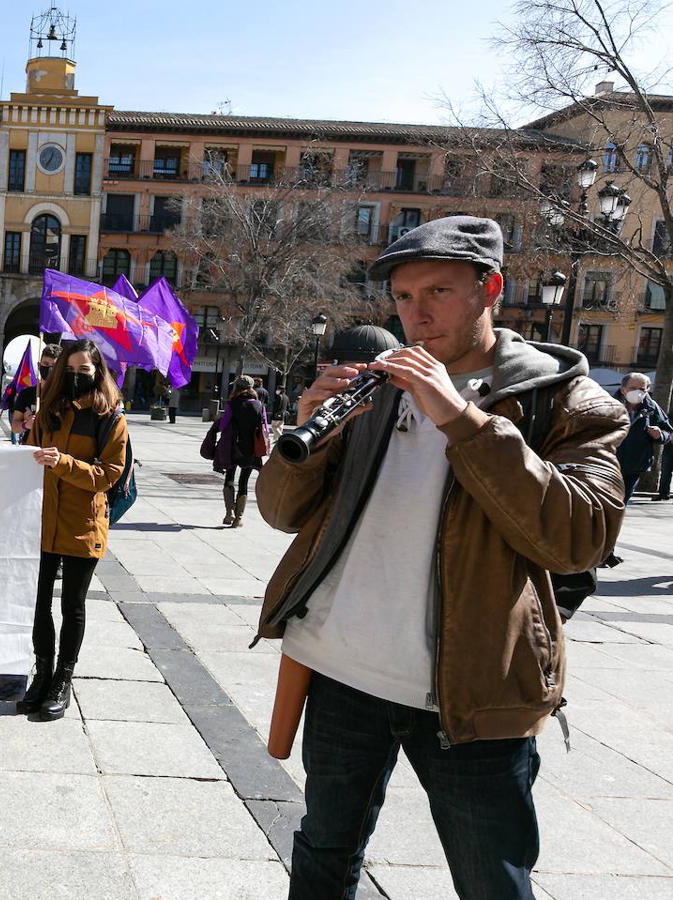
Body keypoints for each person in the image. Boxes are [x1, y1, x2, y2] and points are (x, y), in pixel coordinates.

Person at [255, 216, 627, 899]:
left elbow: (581, 537)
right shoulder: (374, 387)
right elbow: (281, 514)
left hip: (473, 692)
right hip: (339, 672)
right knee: (322, 854)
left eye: (438, 292)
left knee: (492, 880)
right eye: (401, 297)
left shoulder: (564, 401)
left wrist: (461, 420)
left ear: (491, 289)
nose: (415, 314)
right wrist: (306, 430)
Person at [20, 339, 129, 721]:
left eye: (84, 371)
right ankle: (42, 673)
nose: (76, 377)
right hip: (41, 520)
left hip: (83, 523)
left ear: (97, 373)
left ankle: (63, 680)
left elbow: (109, 475)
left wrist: (64, 462)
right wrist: (27, 438)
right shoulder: (48, 410)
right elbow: (27, 461)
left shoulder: (110, 417)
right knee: (38, 603)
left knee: (72, 605)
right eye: (69, 371)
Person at [213, 376, 265, 528]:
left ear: (236, 387)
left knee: (229, 477)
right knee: (244, 481)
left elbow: (223, 426)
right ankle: (238, 518)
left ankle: (229, 514)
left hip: (232, 446)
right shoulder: (258, 405)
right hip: (250, 449)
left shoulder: (232, 404)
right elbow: (263, 428)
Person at [613, 372, 670, 504]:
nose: (638, 392)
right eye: (633, 388)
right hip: (609, 463)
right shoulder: (608, 405)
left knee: (621, 503)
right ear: (623, 389)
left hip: (635, 465)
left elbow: (668, 432)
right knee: (604, 501)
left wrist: (660, 435)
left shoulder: (651, 407)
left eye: (642, 389)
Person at [12, 343, 61, 443]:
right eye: (46, 364)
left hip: (55, 448)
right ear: (39, 365)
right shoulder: (26, 393)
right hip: (30, 447)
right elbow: (14, 426)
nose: (49, 369)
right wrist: (26, 425)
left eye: (54, 366)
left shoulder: (64, 395)